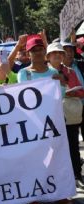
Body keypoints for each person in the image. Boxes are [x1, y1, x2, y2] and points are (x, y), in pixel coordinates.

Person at [17, 36, 62, 204]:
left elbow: (60, 96)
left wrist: (62, 84)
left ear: (45, 51)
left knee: (55, 159)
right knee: (33, 162)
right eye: (33, 50)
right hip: (32, 125)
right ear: (28, 53)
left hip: (52, 123)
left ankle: (58, 193)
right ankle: (33, 199)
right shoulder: (24, 73)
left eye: (40, 48)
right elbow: (21, 98)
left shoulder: (53, 72)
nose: (37, 52)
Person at [47, 42, 84, 191]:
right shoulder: (44, 73)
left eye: (60, 53)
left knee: (73, 145)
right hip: (50, 116)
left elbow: (81, 91)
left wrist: (72, 92)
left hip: (68, 114)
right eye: (54, 53)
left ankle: (76, 175)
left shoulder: (70, 71)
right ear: (48, 57)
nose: (58, 55)